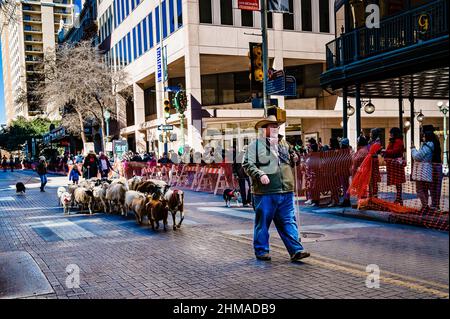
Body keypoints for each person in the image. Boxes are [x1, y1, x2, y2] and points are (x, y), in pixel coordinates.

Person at [243, 115, 310, 262]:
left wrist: (295, 158)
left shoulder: (285, 144)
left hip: (286, 189)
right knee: (263, 222)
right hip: (265, 191)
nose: (275, 129)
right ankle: (261, 251)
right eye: (271, 126)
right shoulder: (254, 146)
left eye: (276, 126)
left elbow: (292, 161)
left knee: (288, 221)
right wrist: (259, 174)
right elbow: (247, 164)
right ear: (264, 129)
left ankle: (296, 250)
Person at [412, 125, 442, 210]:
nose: (422, 134)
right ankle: (435, 205)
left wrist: (413, 149)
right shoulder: (435, 142)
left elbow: (418, 156)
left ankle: (431, 206)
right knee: (434, 188)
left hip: (431, 168)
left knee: (428, 188)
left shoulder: (429, 144)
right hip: (436, 166)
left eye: (422, 132)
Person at [383, 127, 406, 204]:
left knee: (398, 181)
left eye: (391, 133)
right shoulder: (394, 141)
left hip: (396, 164)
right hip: (394, 163)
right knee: (397, 182)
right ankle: (398, 197)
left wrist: (386, 151)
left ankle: (399, 197)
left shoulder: (398, 141)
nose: (390, 134)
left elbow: (395, 151)